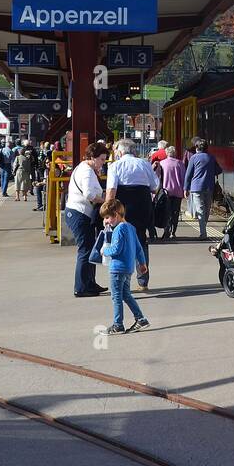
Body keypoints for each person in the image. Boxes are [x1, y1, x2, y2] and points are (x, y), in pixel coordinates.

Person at [105, 138, 158, 292]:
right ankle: (143, 281)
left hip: (123, 209)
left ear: (120, 152)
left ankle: (123, 282)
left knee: (121, 242)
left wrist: (107, 214)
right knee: (141, 241)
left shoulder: (114, 166)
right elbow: (155, 187)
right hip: (143, 206)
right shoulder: (144, 164)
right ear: (133, 151)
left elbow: (111, 191)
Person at [63, 141, 109, 298]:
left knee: (90, 248)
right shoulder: (87, 171)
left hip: (80, 213)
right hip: (79, 213)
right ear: (93, 157)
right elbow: (89, 194)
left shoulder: (85, 168)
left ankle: (90, 283)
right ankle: (81, 287)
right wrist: (105, 201)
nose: (103, 162)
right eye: (102, 159)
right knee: (85, 250)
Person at [97, 199, 150, 336]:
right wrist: (142, 264)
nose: (106, 221)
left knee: (116, 297)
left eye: (107, 217)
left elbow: (116, 249)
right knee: (126, 294)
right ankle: (141, 319)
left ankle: (118, 324)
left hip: (117, 269)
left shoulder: (119, 229)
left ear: (116, 214)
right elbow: (139, 248)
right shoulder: (131, 228)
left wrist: (104, 251)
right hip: (128, 268)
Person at [181, 137, 221, 240]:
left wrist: (186, 188)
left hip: (196, 187)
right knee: (207, 209)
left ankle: (203, 233)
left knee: (200, 210)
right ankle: (203, 230)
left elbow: (188, 174)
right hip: (209, 187)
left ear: (197, 148)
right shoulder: (211, 157)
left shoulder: (194, 158)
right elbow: (219, 170)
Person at [158, 146, 186, 239]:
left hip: (166, 192)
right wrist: (185, 190)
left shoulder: (162, 163)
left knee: (166, 212)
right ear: (175, 153)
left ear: (167, 153)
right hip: (178, 191)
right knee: (175, 212)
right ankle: (173, 232)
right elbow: (183, 178)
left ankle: (167, 230)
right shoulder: (180, 163)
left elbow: (159, 178)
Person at [34, 142, 51, 212]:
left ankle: (45, 205)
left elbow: (47, 181)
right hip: (46, 182)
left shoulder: (54, 169)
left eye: (48, 162)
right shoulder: (46, 170)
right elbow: (45, 180)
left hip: (50, 185)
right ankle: (40, 205)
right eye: (46, 163)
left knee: (43, 187)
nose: (47, 164)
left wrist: (40, 183)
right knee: (38, 188)